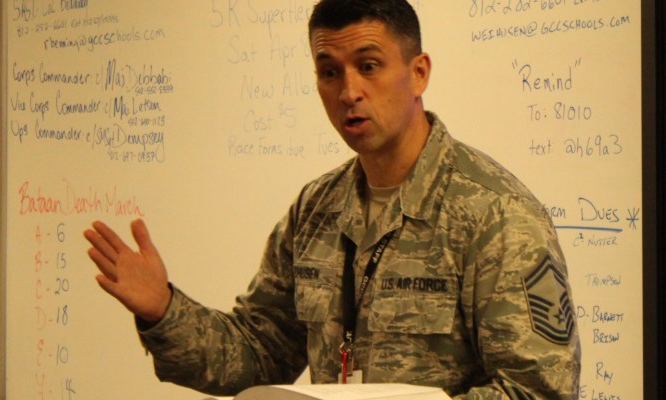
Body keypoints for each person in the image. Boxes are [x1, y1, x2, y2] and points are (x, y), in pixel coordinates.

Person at [82, 0, 580, 398]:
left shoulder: (495, 214)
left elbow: (538, 391)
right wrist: (164, 310)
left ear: (419, 73)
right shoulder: (316, 209)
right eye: (329, 72)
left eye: (369, 66)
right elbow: (258, 353)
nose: (349, 91)